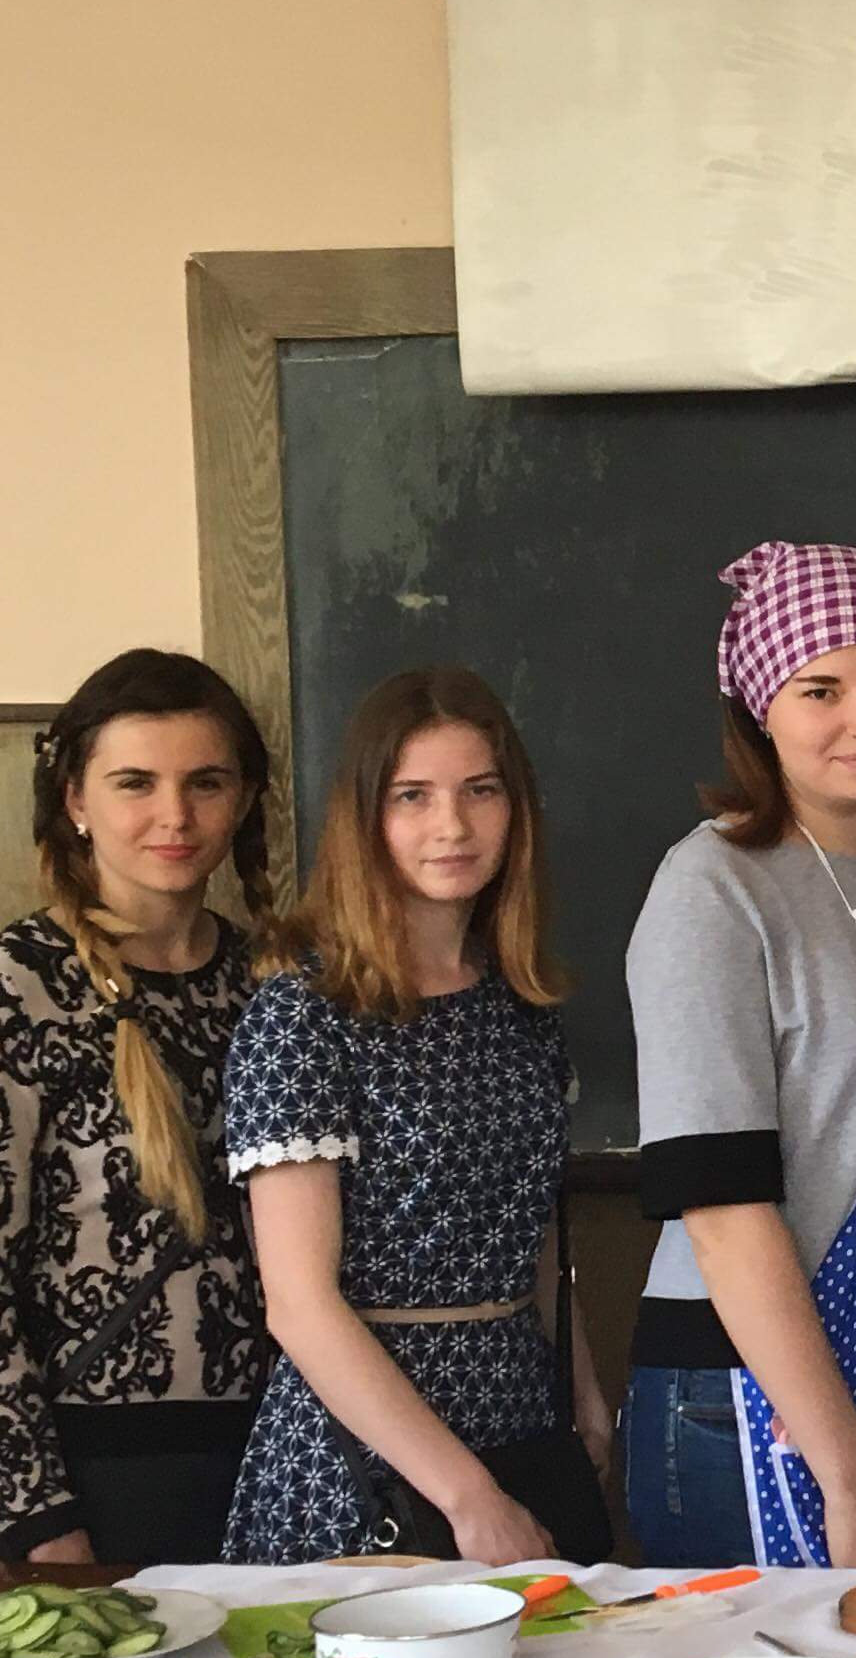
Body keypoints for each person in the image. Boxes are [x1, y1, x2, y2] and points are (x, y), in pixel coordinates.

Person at [622, 544, 856, 1570]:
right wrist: (849, 1479)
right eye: (821, 689)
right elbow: (722, 1213)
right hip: (746, 1401)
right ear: (761, 707)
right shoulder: (712, 889)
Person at [219, 667, 611, 1566]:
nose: (453, 826)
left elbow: (534, 1232)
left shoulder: (520, 1005)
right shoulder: (305, 1014)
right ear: (365, 817)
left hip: (521, 1412)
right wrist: (467, 1495)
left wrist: (580, 1385)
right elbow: (300, 1305)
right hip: (369, 1460)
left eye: (481, 790)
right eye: (413, 796)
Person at [0, 650, 277, 1566]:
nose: (175, 816)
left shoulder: (274, 987)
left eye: (206, 782)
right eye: (135, 783)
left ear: (243, 800)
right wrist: (37, 1512)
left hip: (276, 1456)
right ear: (75, 798)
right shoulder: (4, 994)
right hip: (91, 1471)